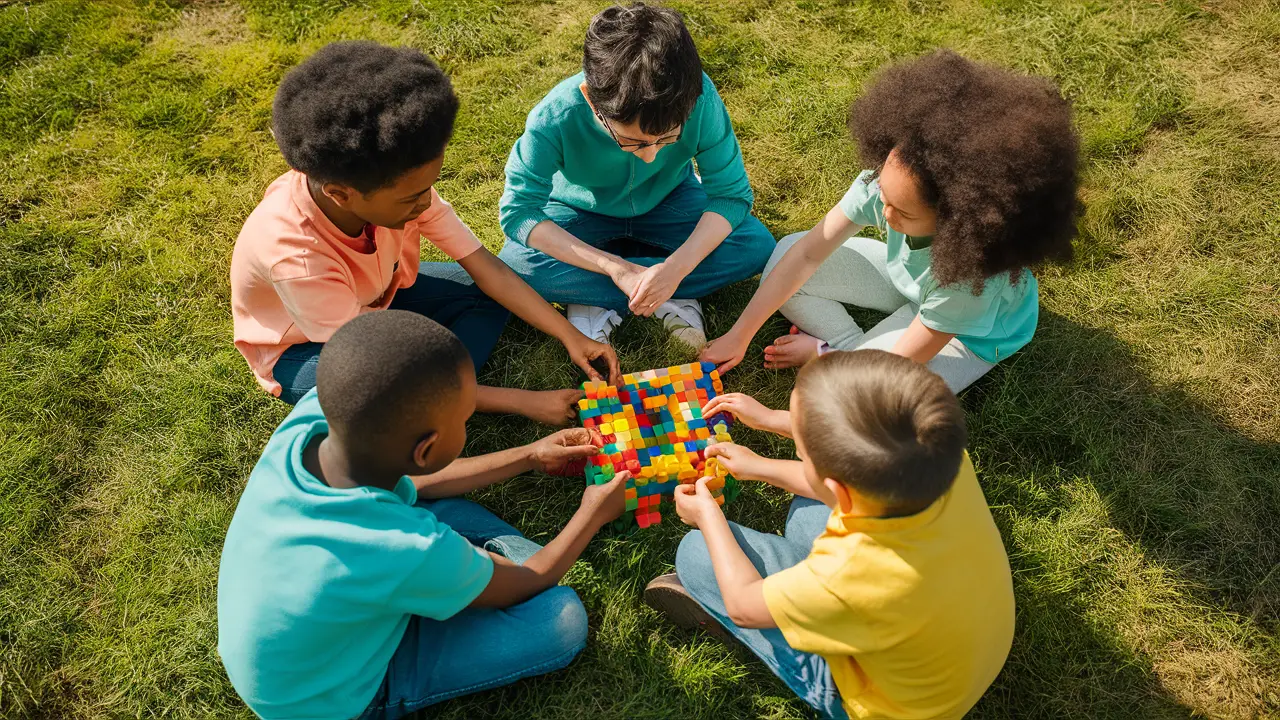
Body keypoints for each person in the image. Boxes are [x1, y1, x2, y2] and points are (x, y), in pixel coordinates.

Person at [218, 309, 629, 720]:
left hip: (297, 644)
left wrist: (530, 455)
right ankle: (465, 575)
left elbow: (417, 483)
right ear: (426, 449)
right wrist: (592, 513)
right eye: (463, 420)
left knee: (440, 515)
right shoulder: (401, 546)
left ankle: (462, 573)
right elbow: (529, 582)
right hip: (326, 697)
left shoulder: (314, 417)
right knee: (559, 617)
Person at [231, 41, 619, 425]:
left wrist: (571, 336)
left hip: (380, 298)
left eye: (428, 188)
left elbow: (486, 268)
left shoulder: (394, 183)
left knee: (488, 297)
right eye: (412, 197)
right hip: (305, 349)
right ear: (341, 194)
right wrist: (521, 401)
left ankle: (441, 389)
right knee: (375, 395)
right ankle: (442, 393)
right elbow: (373, 363)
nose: (425, 202)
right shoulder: (296, 258)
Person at [644, 350, 1015, 720]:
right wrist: (769, 432)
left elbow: (743, 605)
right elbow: (849, 465)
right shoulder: (935, 455)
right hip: (961, 645)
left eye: (802, 453)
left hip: (886, 705)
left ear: (841, 492)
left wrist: (707, 516)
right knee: (807, 513)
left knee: (698, 554)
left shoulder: (851, 572)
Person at [700, 50, 1080, 392]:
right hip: (913, 287)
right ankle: (851, 346)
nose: (884, 212)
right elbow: (806, 255)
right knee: (786, 252)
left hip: (963, 335)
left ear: (954, 224)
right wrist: (739, 334)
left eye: (904, 212)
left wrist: (824, 358)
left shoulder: (967, 284)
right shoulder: (885, 184)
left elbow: (894, 367)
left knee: (866, 395)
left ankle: (835, 352)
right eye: (884, 192)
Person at [497, 2, 776, 352]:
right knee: (515, 266)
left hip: (671, 200)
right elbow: (519, 212)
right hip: (578, 210)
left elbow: (731, 197)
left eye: (668, 137)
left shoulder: (700, 99)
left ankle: (600, 295)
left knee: (756, 247)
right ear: (591, 99)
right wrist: (614, 267)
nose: (650, 156)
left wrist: (675, 269)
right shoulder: (555, 116)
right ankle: (665, 295)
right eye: (632, 141)